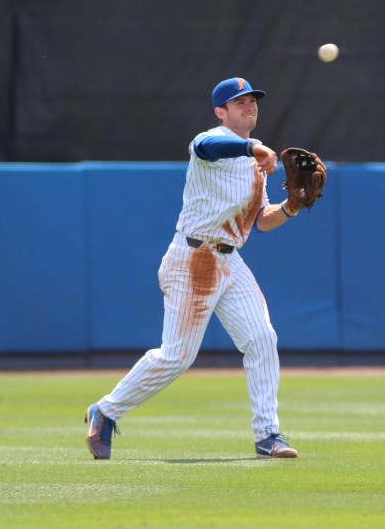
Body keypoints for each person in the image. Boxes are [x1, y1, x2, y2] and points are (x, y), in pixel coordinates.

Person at [85, 76, 307, 460]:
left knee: (261, 338)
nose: (249, 106)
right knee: (177, 356)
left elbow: (261, 220)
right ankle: (105, 410)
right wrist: (254, 146)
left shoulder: (255, 167)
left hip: (230, 260)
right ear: (221, 112)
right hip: (192, 258)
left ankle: (268, 435)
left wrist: (291, 207)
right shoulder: (210, 141)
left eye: (253, 100)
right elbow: (209, 147)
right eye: (240, 102)